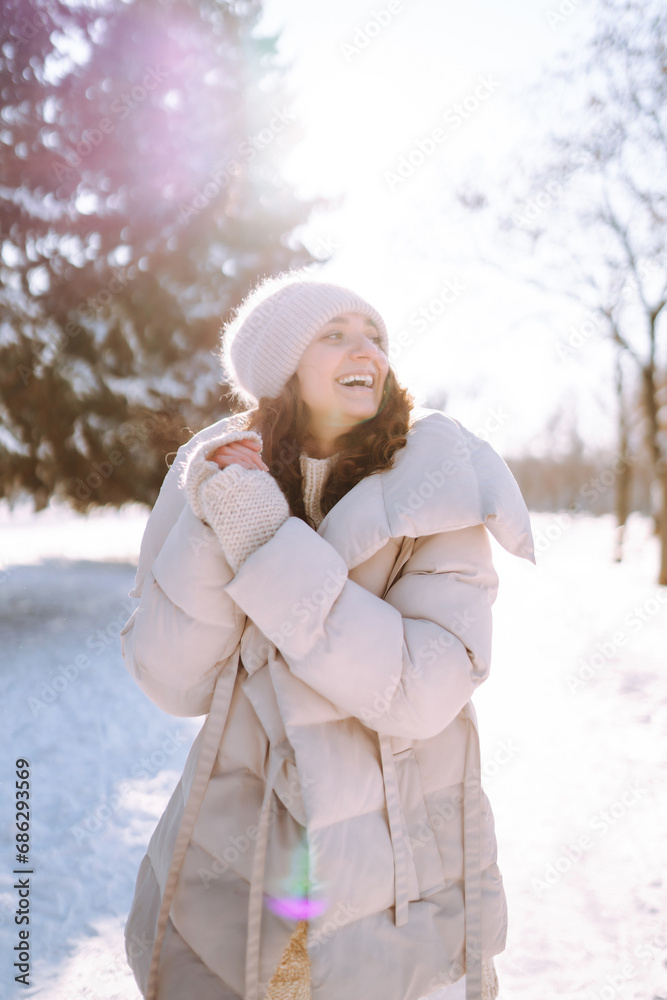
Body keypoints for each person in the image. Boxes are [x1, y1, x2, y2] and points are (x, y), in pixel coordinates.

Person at [120, 269, 536, 1000]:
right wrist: (221, 517)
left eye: (374, 336)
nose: (367, 351)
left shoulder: (437, 479)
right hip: (236, 856)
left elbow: (418, 688)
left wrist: (265, 542)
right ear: (280, 369)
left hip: (395, 872)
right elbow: (170, 679)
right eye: (335, 335)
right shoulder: (215, 469)